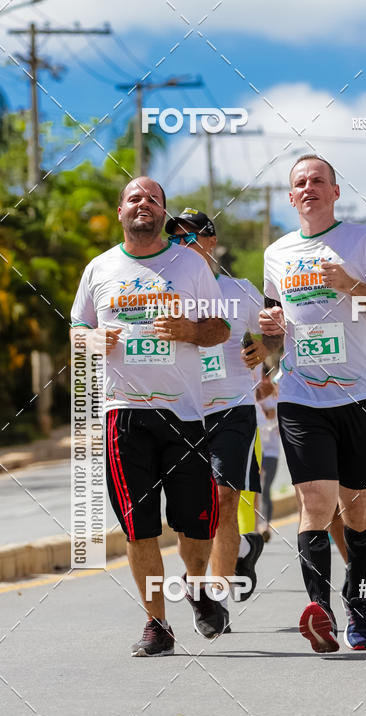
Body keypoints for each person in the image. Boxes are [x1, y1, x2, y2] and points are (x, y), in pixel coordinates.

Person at [71, 178, 231, 656]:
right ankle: (157, 624)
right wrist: (91, 341)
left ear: (163, 213)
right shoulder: (99, 268)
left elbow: (220, 327)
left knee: (196, 525)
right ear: (121, 210)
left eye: (153, 199)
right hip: (124, 415)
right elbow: (79, 327)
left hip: (183, 414)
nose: (144, 204)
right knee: (138, 527)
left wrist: (190, 329)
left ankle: (198, 587)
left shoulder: (190, 265)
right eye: (135, 198)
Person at [260, 154, 366, 653]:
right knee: (316, 503)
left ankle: (358, 600)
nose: (308, 189)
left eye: (317, 181)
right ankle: (320, 610)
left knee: (357, 505)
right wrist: (271, 329)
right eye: (299, 183)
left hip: (360, 394)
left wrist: (352, 287)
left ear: (335, 191)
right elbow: (276, 319)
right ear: (290, 196)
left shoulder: (364, 241)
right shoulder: (276, 253)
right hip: (301, 395)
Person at [166, 208, 266, 607]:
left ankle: (217, 600)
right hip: (183, 411)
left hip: (232, 407)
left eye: (190, 238)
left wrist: (269, 349)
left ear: (211, 243)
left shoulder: (239, 290)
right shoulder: (162, 289)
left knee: (225, 499)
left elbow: (284, 327)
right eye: (174, 239)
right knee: (190, 508)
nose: (182, 246)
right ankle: (240, 549)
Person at [255, 366, 280, 542]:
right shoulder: (250, 394)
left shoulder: (275, 395)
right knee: (255, 490)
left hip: (271, 451)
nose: (263, 380)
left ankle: (266, 525)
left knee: (265, 488)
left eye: (266, 377)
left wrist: (264, 410)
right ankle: (256, 527)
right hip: (255, 448)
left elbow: (273, 416)